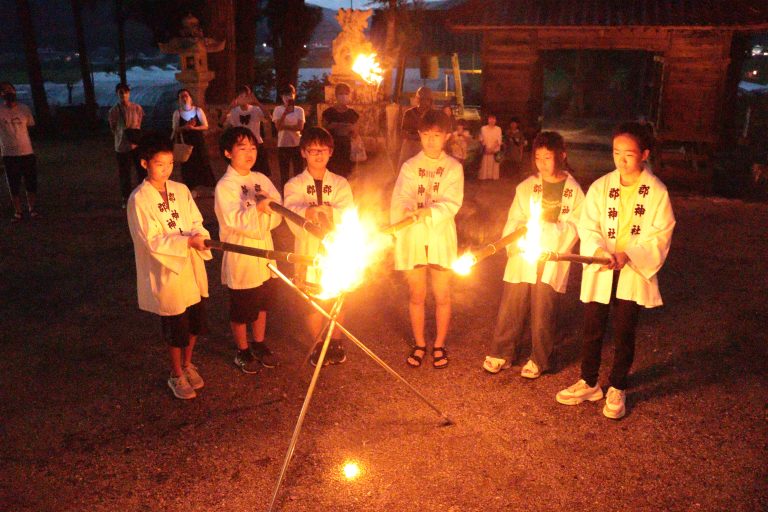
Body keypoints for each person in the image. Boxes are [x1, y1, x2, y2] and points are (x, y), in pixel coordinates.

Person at [556, 122, 676, 419]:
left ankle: (618, 385)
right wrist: (598, 250)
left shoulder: (657, 192)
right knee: (593, 326)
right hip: (602, 264)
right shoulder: (601, 186)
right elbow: (588, 224)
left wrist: (630, 254)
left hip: (632, 268)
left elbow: (661, 233)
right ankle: (589, 380)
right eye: (616, 152)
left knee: (624, 330)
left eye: (629, 154)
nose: (620, 159)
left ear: (644, 154)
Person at [483, 132, 585, 378]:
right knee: (512, 302)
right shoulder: (527, 186)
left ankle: (540, 358)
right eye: (538, 158)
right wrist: (516, 238)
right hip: (524, 252)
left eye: (547, 157)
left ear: (561, 156)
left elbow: (576, 225)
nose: (542, 163)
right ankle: (502, 352)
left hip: (549, 256)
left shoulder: (573, 191)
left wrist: (550, 236)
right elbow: (515, 217)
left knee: (544, 306)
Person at [126, 133, 212, 400]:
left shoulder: (181, 190)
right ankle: (176, 372)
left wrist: (200, 236)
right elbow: (150, 239)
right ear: (145, 164)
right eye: (159, 164)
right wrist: (186, 242)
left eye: (170, 164)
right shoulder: (139, 199)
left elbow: (195, 220)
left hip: (191, 265)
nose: (166, 169)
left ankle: (188, 364)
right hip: (167, 269)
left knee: (195, 321)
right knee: (177, 324)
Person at [391, 110, 464, 369]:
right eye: (426, 135)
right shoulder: (410, 166)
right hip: (414, 236)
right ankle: (420, 343)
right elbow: (402, 196)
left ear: (446, 137)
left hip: (440, 236)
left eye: (436, 135)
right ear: (420, 135)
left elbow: (452, 201)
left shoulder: (453, 168)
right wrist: (409, 209)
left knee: (442, 293)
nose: (431, 141)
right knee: (416, 293)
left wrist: (430, 212)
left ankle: (440, 344)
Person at [214, 127, 283, 374]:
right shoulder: (225, 185)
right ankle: (242, 350)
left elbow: (277, 208)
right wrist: (259, 210)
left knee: (263, 302)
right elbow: (232, 219)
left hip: (264, 248)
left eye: (253, 147)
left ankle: (259, 342)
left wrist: (269, 211)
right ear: (227, 152)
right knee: (243, 306)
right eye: (242, 148)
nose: (249, 152)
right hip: (242, 253)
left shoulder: (260, 179)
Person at [284, 127, 353, 366]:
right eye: (312, 150)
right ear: (303, 152)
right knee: (311, 299)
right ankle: (317, 342)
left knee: (337, 297)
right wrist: (309, 212)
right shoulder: (294, 184)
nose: (317, 155)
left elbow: (349, 212)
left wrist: (331, 213)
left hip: (336, 249)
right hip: (309, 249)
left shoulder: (340, 183)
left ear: (330, 152)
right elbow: (290, 212)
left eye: (322, 150)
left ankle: (336, 339)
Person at [0, 82, 38, 222]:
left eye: (10, 90)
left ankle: (32, 208)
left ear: (15, 91)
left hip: (27, 152)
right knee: (13, 183)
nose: (8, 93)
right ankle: (18, 211)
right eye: (5, 91)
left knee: (30, 181)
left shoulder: (24, 109)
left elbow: (30, 126)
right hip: (9, 154)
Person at [171, 89, 216, 194]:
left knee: (203, 162)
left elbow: (205, 126)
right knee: (188, 165)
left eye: (186, 96)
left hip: (198, 141)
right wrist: (185, 127)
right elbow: (175, 128)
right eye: (181, 97)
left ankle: (211, 186)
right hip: (185, 142)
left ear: (191, 98)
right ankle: (191, 189)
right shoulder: (177, 113)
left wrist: (194, 128)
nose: (184, 98)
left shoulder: (198, 110)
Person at [108, 83, 145, 208]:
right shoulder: (113, 111)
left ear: (129, 93)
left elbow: (140, 122)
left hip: (136, 145)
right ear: (117, 94)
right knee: (125, 173)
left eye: (125, 92)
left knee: (141, 171)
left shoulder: (137, 108)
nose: (123, 94)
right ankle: (127, 198)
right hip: (122, 146)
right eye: (120, 92)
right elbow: (113, 127)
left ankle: (143, 195)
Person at [224, 85, 269, 175]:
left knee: (260, 173)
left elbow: (268, 117)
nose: (243, 99)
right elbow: (222, 124)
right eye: (240, 96)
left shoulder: (256, 110)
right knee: (242, 171)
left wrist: (257, 103)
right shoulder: (234, 111)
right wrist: (229, 107)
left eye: (245, 96)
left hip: (256, 143)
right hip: (241, 145)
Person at [321, 82, 359, 178]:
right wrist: (332, 126)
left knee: (347, 175)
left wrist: (350, 128)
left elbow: (356, 134)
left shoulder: (352, 113)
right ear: (336, 95)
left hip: (347, 148)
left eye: (346, 94)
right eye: (341, 94)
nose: (343, 96)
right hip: (332, 148)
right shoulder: (328, 113)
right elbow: (322, 132)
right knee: (332, 174)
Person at [272, 84, 305, 190]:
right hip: (283, 144)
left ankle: (299, 193)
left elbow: (300, 127)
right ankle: (286, 194)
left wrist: (284, 127)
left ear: (294, 95)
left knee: (298, 172)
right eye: (286, 95)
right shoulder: (278, 110)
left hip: (296, 144)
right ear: (282, 96)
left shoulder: (299, 110)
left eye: (290, 94)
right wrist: (285, 113)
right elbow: (277, 127)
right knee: (284, 173)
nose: (288, 97)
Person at [398, 86, 434, 169]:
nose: (424, 102)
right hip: (410, 146)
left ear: (430, 101)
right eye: (422, 99)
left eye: (427, 100)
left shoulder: (433, 115)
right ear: (418, 100)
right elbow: (403, 133)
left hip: (426, 147)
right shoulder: (409, 113)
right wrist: (417, 137)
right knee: (405, 168)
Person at [479, 113, 502, 180]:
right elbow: (481, 138)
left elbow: (499, 140)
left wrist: (492, 148)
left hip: (494, 150)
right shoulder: (483, 128)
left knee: (494, 164)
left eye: (493, 119)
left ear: (495, 120)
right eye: (490, 119)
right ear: (488, 120)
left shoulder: (498, 129)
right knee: (485, 163)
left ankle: (494, 177)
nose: (492, 121)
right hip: (486, 149)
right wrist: (486, 147)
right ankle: (485, 177)